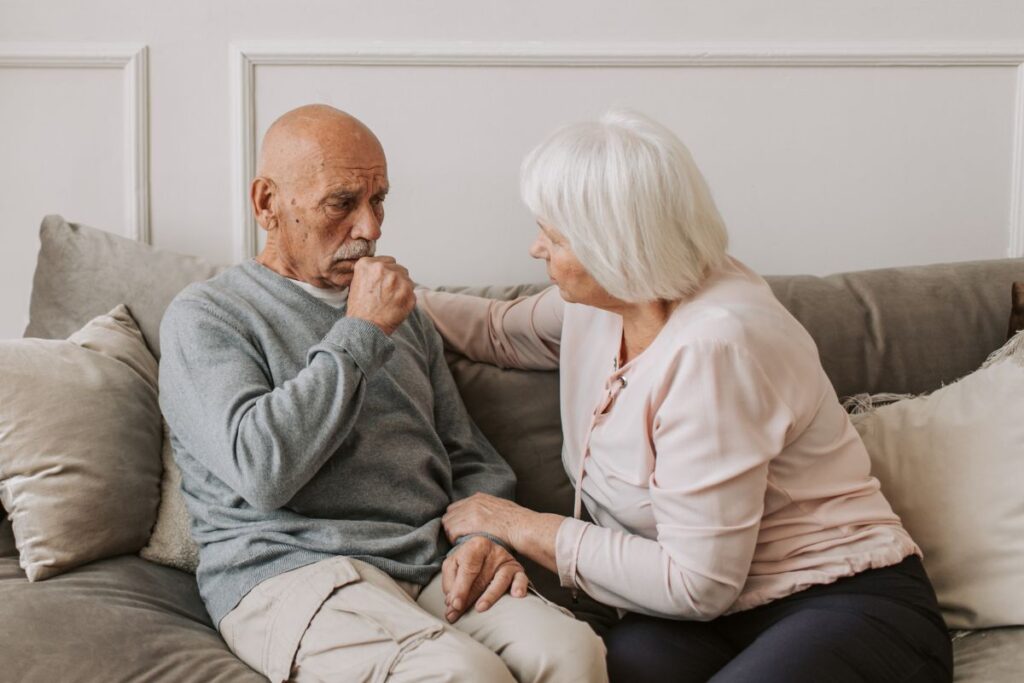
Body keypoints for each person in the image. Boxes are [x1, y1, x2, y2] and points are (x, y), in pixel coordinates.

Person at [417, 110, 954, 682]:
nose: (535, 248)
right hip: (698, 621)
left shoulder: (715, 346)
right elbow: (499, 331)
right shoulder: (606, 304)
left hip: (839, 599)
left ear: (612, 246)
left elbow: (697, 584)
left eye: (554, 235)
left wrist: (517, 523)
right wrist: (376, 295)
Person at [158, 104, 606, 683]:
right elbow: (262, 470)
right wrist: (363, 331)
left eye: (379, 201)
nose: (370, 228)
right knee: (461, 675)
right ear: (267, 203)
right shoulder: (208, 315)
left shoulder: (404, 313)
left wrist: (483, 535)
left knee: (573, 652)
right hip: (293, 573)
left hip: (426, 560)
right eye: (342, 203)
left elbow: (468, 455)